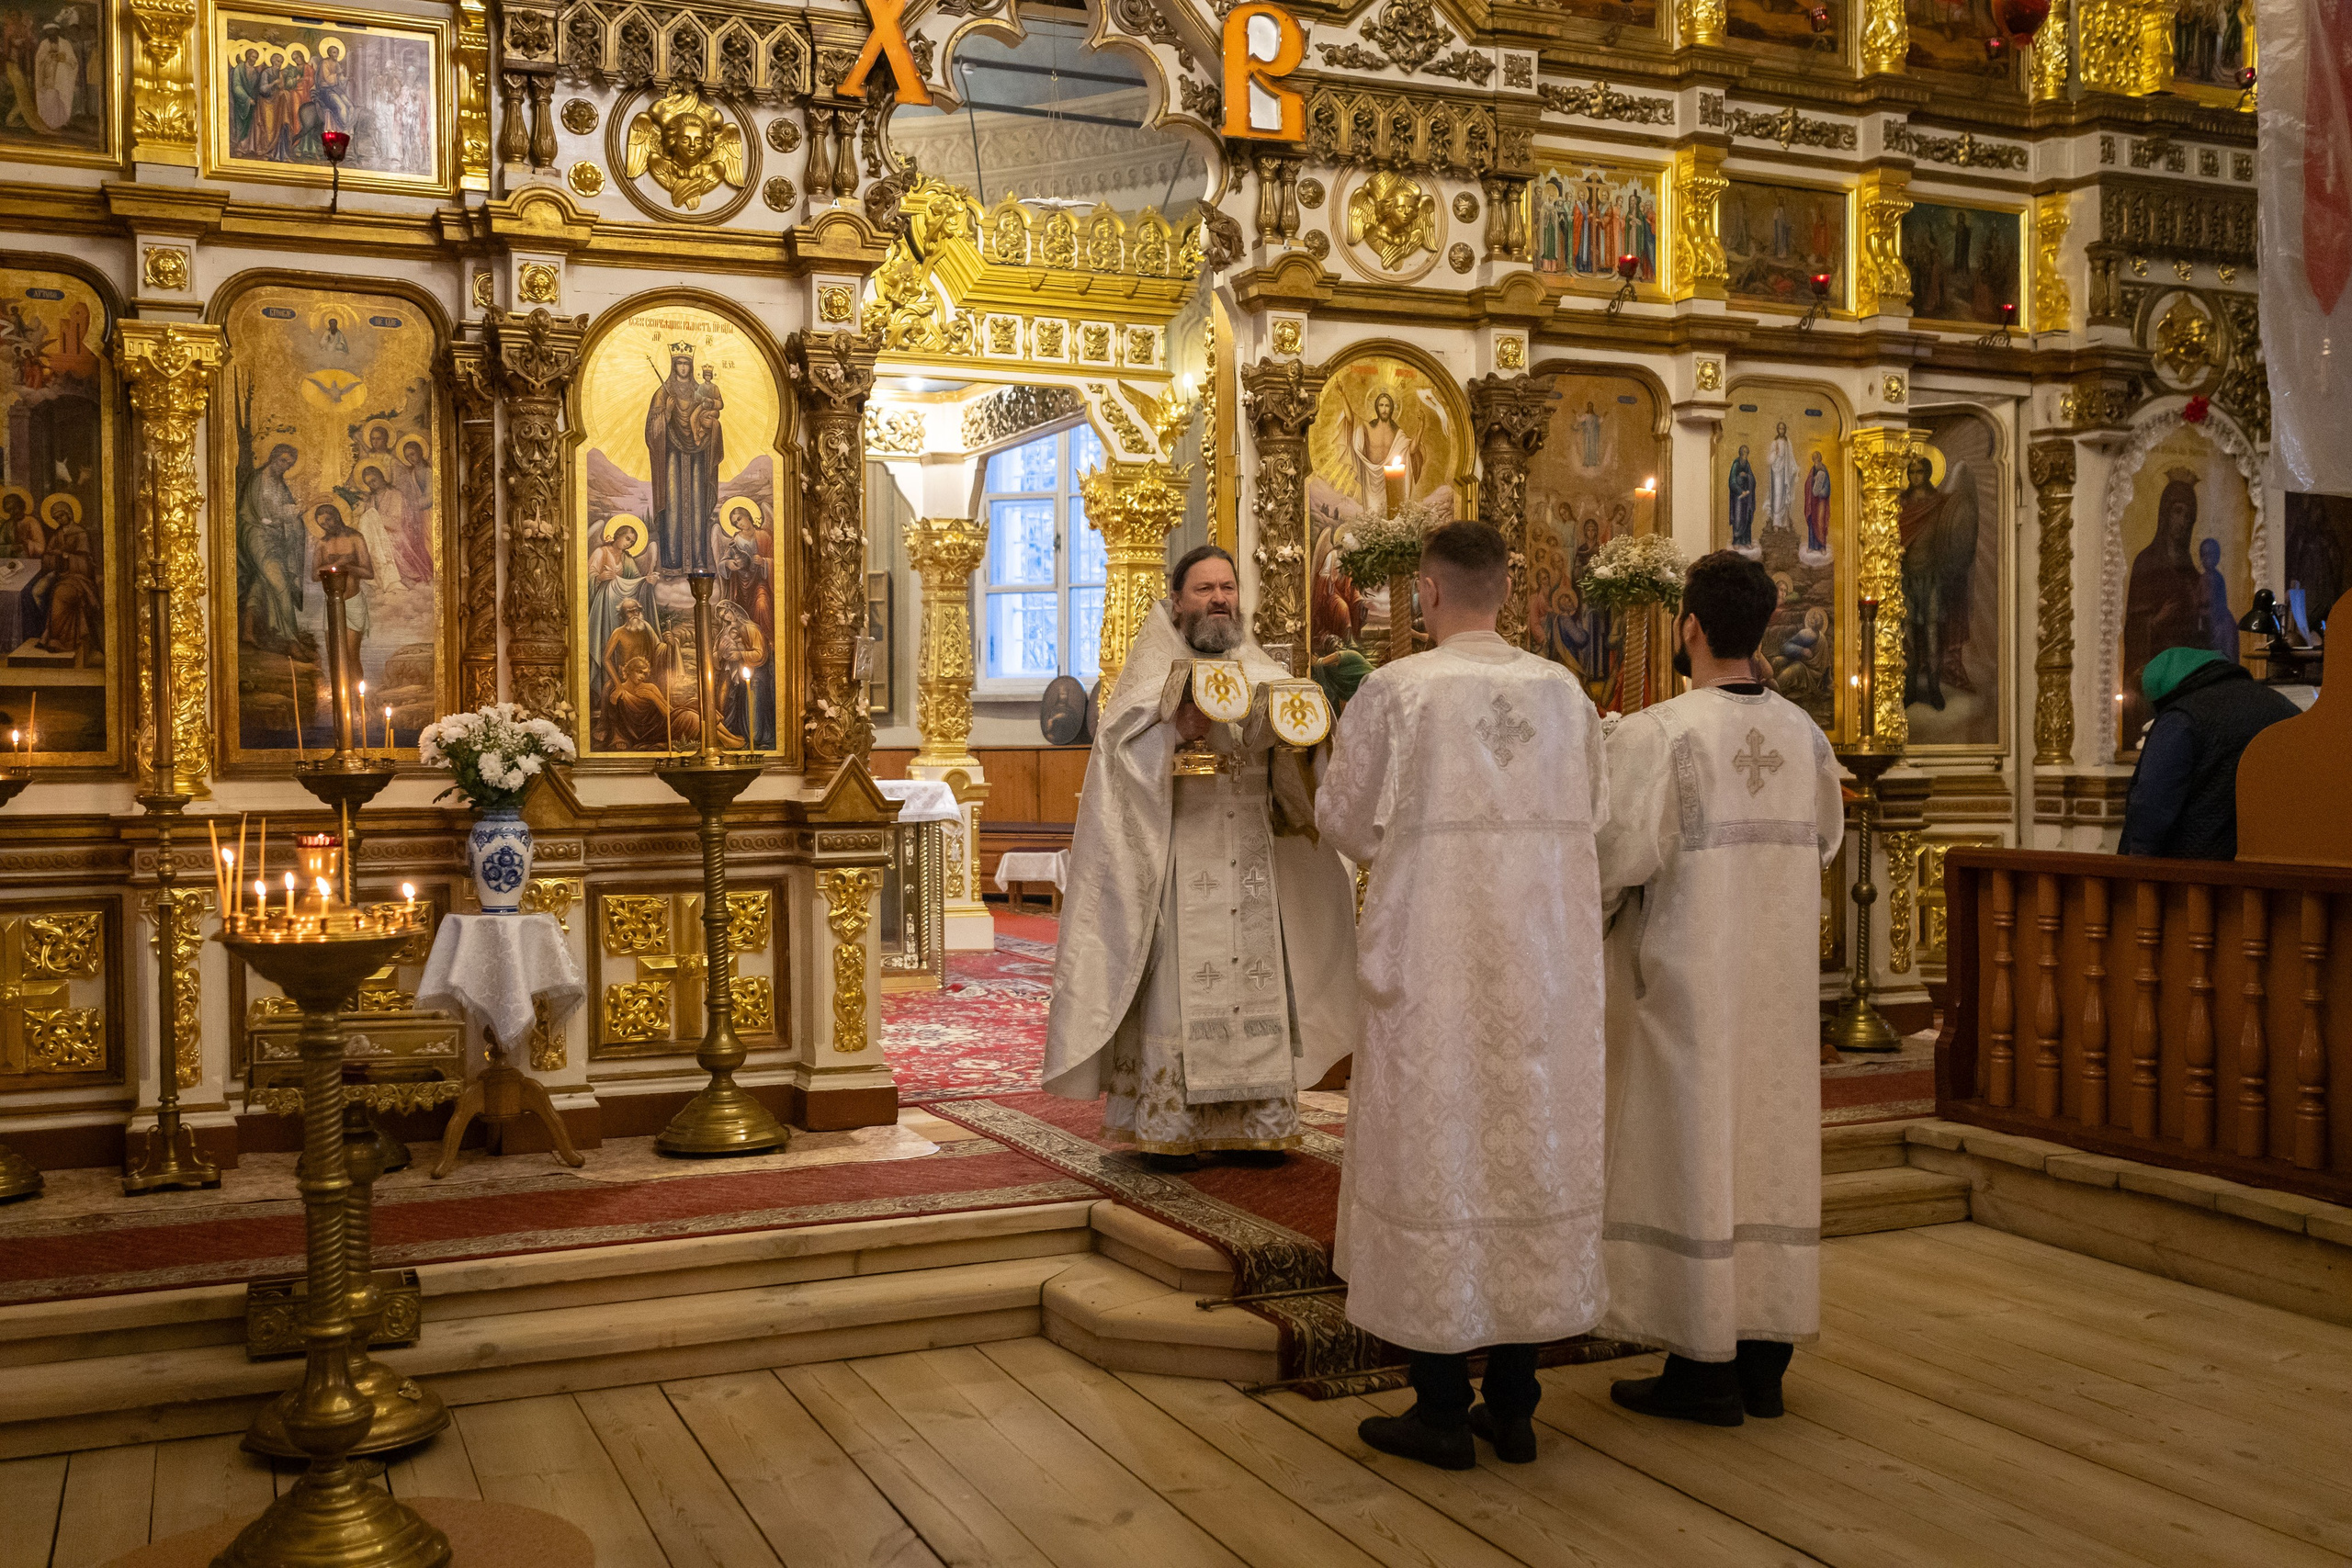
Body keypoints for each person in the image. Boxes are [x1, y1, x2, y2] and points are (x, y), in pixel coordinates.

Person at [1316, 521, 1611, 1471]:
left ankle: (1441, 1408)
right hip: (1545, 969)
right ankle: (1514, 1404)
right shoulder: (1564, 694)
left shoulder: (1399, 692)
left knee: (1433, 1155)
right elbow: (1597, 817)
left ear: (1430, 594)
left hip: (1436, 963)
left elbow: (1346, 823)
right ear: (1511, 596)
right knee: (1529, 1150)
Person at [1595, 550, 1845, 1427]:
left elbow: (1614, 857)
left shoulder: (1659, 733)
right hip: (1775, 987)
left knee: (1692, 1147)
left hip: (1688, 981)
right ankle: (1763, 1362)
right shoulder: (1804, 735)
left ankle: (1702, 1366)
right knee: (1768, 1146)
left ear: (1688, 626)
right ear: (1764, 627)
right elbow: (1826, 838)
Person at [1044, 545, 1360, 1166]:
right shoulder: (1149, 673)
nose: (1219, 598)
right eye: (1204, 589)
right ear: (1177, 600)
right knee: (1183, 991)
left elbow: (1292, 775)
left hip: (1250, 865)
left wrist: (1294, 740)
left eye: (1227, 587)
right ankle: (1174, 1123)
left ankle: (1255, 1119)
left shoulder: (1263, 667)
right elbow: (1118, 761)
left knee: (1258, 982)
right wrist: (1171, 731)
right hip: (1180, 862)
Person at [2118, 646, 2299, 860]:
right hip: (2280, 866)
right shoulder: (2284, 706)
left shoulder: (2181, 717)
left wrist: (2136, 858)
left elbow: (2153, 802)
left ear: (2163, 694)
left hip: (2197, 874)